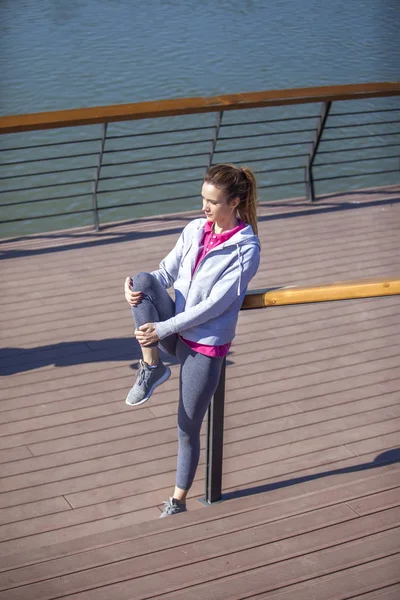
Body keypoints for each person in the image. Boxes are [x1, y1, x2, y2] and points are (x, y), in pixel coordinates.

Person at [124, 163, 260, 517]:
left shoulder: (246, 249)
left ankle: (178, 500)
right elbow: (164, 273)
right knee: (140, 280)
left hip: (203, 344)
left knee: (187, 425)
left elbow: (215, 307)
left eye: (212, 202)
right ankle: (151, 368)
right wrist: (132, 291)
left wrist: (163, 329)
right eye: (203, 199)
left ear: (234, 202)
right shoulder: (195, 229)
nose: (204, 207)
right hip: (172, 332)